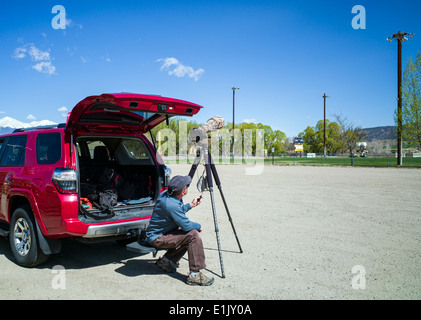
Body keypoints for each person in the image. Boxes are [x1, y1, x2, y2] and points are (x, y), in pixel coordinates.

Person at [145, 175, 214, 286]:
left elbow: (175, 211)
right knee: (193, 235)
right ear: (183, 192)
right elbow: (186, 225)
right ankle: (194, 275)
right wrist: (198, 226)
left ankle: (166, 262)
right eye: (186, 186)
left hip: (159, 234)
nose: (187, 187)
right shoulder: (171, 205)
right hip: (157, 238)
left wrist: (190, 205)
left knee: (187, 234)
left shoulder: (167, 195)